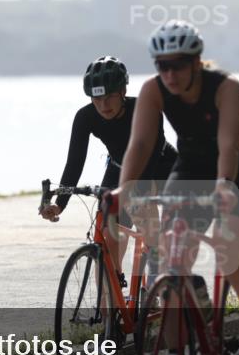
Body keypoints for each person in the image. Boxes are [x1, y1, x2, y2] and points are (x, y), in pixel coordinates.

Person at [113, 20, 239, 355]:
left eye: (177, 65)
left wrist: (222, 187)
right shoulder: (153, 91)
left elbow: (229, 145)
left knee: (232, 246)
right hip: (192, 167)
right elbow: (139, 144)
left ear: (196, 62)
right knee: (172, 259)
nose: (169, 74)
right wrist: (122, 190)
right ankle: (178, 353)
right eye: (162, 66)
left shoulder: (225, 87)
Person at [40, 55, 176, 272]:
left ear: (123, 91)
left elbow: (151, 152)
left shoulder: (145, 109)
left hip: (160, 165)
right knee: (108, 236)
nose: (103, 105)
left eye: (110, 97)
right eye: (97, 99)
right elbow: (75, 162)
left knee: (145, 215)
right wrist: (60, 204)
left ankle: (156, 288)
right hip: (119, 167)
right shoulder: (86, 117)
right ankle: (109, 300)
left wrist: (138, 191)